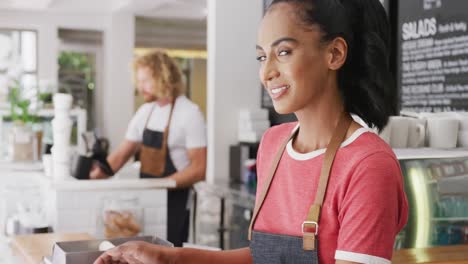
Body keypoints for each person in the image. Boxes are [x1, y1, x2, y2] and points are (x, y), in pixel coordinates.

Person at [94, 0, 408, 263]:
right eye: (261, 56)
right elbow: (261, 258)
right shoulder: (272, 144)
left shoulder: (367, 166)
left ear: (335, 54)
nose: (267, 72)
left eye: (283, 52)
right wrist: (169, 257)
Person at [90, 50, 207, 247]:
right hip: (147, 200)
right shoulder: (145, 112)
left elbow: (198, 169)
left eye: (145, 80)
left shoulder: (189, 113)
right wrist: (94, 175)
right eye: (139, 80)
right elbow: (120, 156)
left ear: (164, 78)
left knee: (170, 252)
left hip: (175, 200)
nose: (139, 86)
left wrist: (161, 185)